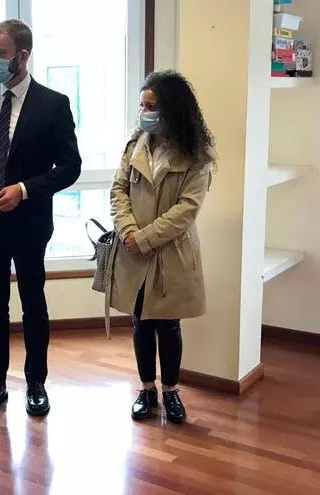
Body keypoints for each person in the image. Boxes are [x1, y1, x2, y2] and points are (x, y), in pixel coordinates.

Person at [0, 19, 82, 419]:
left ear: (22, 56)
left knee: (33, 306)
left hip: (29, 224)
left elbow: (70, 167)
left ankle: (36, 383)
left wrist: (23, 190)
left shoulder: (53, 104)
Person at [108, 70, 214, 424]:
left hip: (171, 254)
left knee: (168, 326)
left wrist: (145, 238)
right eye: (142, 105)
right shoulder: (134, 145)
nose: (144, 112)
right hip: (133, 250)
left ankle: (171, 391)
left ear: (172, 108)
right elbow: (118, 191)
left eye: (151, 106)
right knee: (140, 322)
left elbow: (187, 209)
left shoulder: (196, 155)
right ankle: (146, 390)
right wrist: (128, 232)